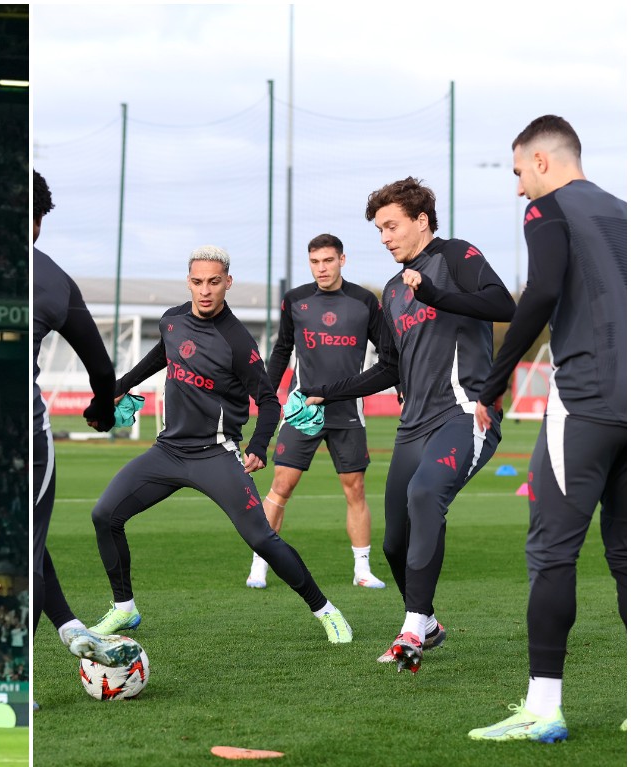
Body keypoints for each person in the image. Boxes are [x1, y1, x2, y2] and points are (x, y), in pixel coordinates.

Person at [299, 177, 516, 672]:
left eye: (391, 226)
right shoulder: (394, 291)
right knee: (395, 543)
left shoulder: (456, 256)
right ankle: (430, 622)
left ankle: (412, 628)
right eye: (379, 229)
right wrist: (328, 391)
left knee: (425, 496)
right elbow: (389, 368)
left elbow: (504, 306)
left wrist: (437, 293)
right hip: (412, 427)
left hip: (463, 413)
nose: (385, 237)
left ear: (421, 221)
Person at [87, 246, 354, 644]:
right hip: (167, 452)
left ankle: (327, 611)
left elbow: (268, 400)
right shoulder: (171, 320)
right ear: (188, 282)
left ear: (228, 282)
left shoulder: (237, 341)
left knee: (263, 538)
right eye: (197, 282)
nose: (205, 291)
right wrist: (117, 388)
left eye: (214, 282)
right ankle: (125, 608)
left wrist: (259, 446)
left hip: (216, 454)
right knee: (104, 514)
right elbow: (159, 356)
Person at [468, 116, 626, 741]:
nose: (516, 191)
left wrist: (494, 379)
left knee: (552, 551)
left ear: (540, 160)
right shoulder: (622, 212)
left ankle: (543, 709)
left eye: (516, 174)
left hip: (586, 403)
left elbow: (540, 292)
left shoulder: (548, 209)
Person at [31, 170, 140, 669]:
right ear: (38, 222)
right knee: (27, 547)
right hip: (26, 436)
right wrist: (100, 411)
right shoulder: (52, 278)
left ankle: (69, 625)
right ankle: (24, 680)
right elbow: (102, 369)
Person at [246, 233, 389, 590]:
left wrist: (403, 388)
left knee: (354, 488)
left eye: (328, 260)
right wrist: (265, 392)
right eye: (314, 262)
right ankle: (259, 565)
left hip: (348, 412)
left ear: (342, 259)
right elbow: (281, 350)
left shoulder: (364, 301)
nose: (321, 268)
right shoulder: (295, 300)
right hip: (302, 409)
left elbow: (389, 353)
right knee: (281, 485)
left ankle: (362, 570)